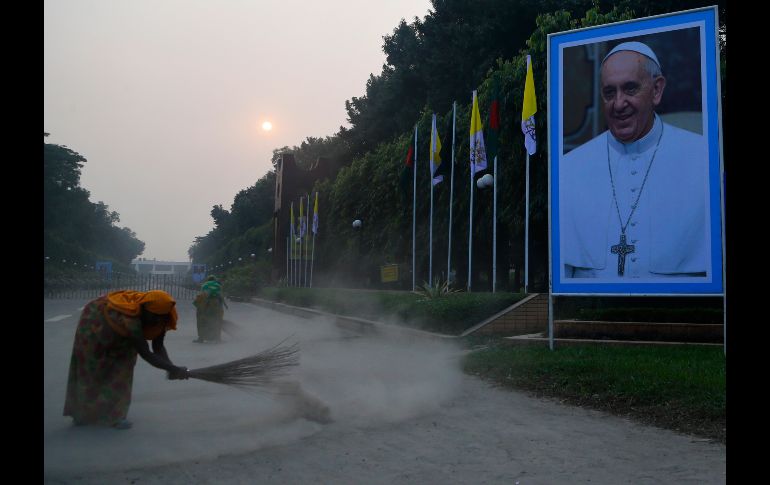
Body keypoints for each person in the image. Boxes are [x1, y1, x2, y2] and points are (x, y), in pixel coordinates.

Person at [559, 41, 709, 279]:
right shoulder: (568, 169)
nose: (619, 104)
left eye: (630, 89)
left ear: (657, 90)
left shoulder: (703, 159)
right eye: (610, 93)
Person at [63, 289, 190, 430]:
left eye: (161, 317)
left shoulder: (164, 315)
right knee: (89, 368)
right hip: (95, 324)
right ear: (143, 309)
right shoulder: (130, 319)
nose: (157, 321)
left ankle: (114, 416)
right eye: (154, 316)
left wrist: (171, 368)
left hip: (120, 335)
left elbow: (158, 346)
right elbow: (146, 353)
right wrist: (174, 369)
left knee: (122, 369)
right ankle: (80, 414)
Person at [193, 275, 228, 343]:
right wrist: (224, 307)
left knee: (201, 320)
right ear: (214, 280)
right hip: (216, 303)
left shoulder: (204, 285)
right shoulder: (218, 285)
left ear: (207, 280)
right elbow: (221, 297)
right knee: (217, 320)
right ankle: (218, 338)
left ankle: (201, 338)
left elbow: (202, 295)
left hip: (205, 302)